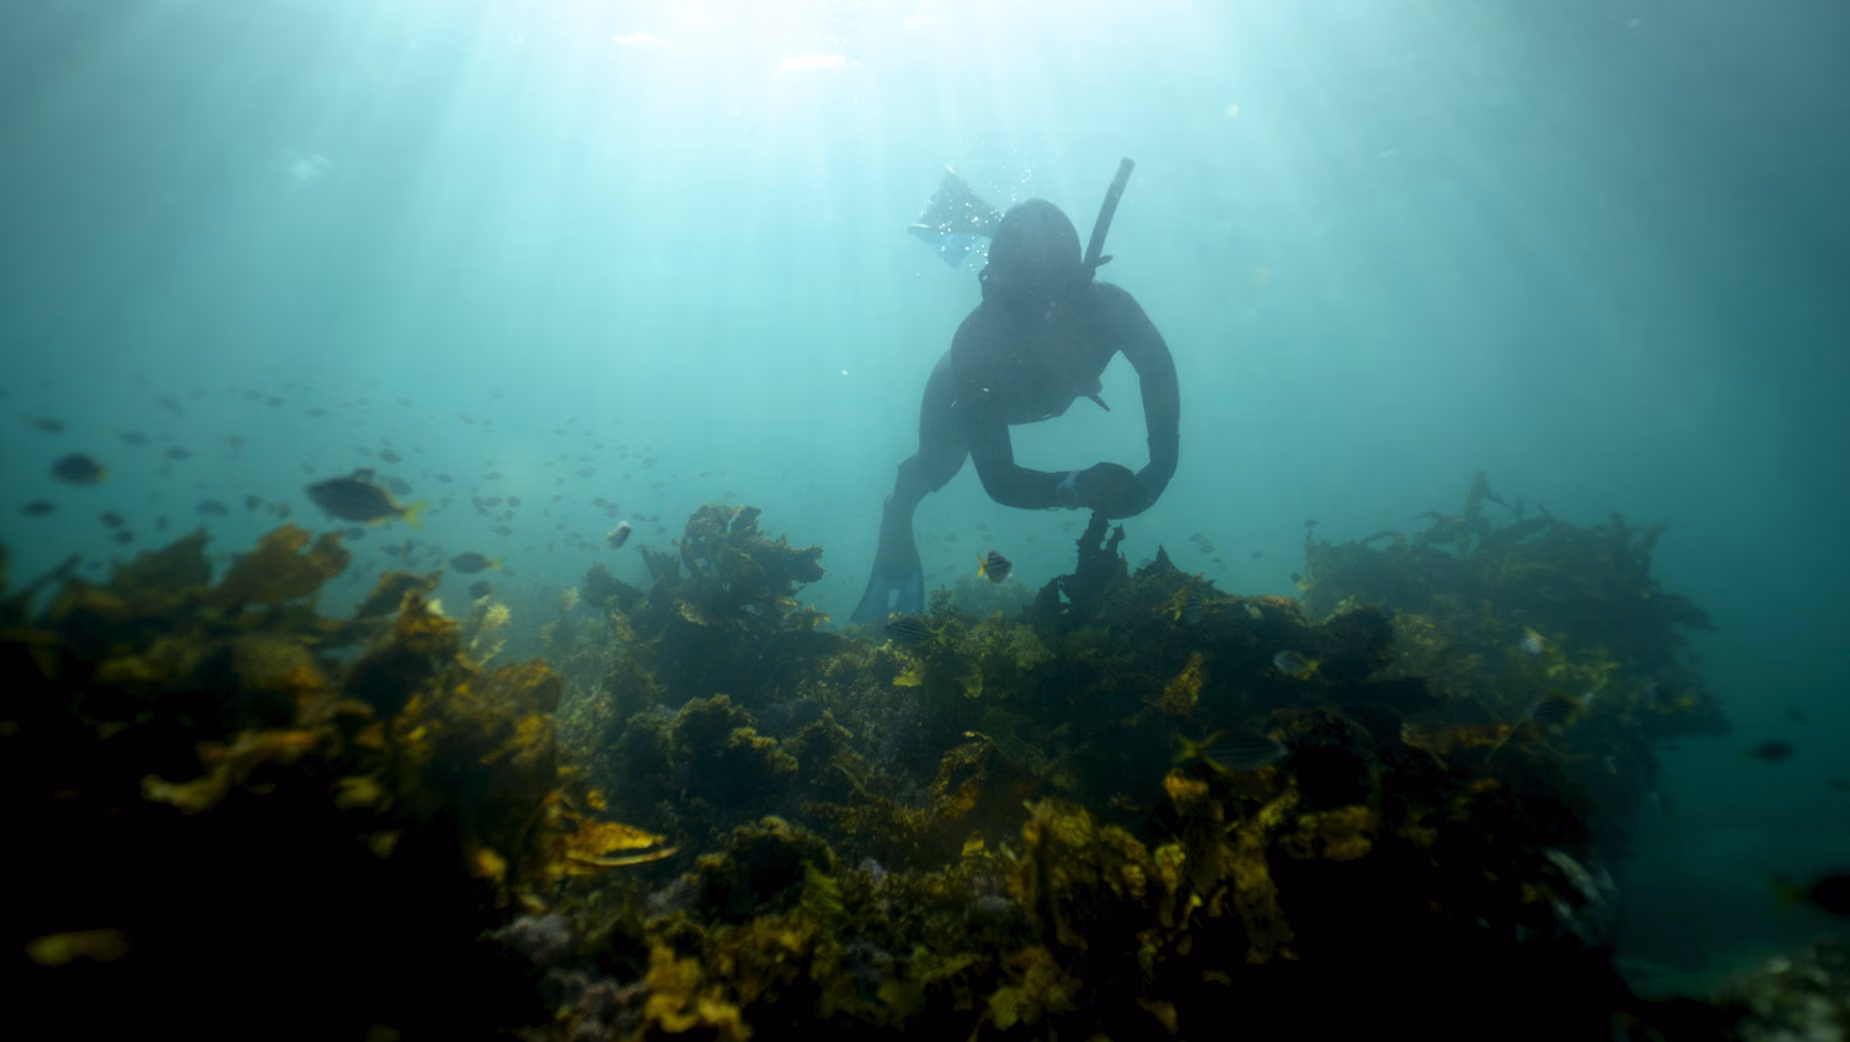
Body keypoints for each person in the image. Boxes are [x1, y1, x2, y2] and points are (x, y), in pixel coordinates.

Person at [852, 160, 1180, 624]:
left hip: (1041, 393)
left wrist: (1162, 465)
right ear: (989, 285)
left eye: (1027, 300)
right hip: (951, 397)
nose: (1015, 316)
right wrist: (1076, 485)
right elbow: (1000, 480)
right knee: (939, 464)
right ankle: (898, 514)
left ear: (1073, 287)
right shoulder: (977, 344)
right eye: (1004, 298)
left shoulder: (1109, 309)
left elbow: (1156, 368)